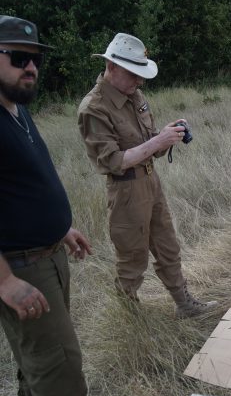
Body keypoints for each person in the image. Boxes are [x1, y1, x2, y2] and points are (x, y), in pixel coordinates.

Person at [0, 15, 121, 396]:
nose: (31, 68)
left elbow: (22, 186)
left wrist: (62, 225)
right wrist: (6, 281)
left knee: (42, 362)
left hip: (47, 255)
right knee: (61, 367)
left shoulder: (15, 107)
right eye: (18, 58)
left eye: (35, 59)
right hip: (20, 265)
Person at [78, 33, 216, 317]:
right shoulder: (94, 108)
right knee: (132, 259)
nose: (138, 81)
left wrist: (166, 135)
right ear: (111, 67)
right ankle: (129, 319)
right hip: (126, 191)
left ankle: (184, 304)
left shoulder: (135, 94)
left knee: (168, 246)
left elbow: (146, 142)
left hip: (151, 182)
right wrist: (157, 142)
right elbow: (113, 161)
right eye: (133, 74)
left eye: (140, 75)